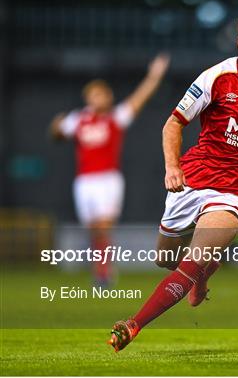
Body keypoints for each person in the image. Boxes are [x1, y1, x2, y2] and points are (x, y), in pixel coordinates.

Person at [107, 6, 238, 352]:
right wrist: (172, 167)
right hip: (193, 179)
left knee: (191, 263)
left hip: (237, 194)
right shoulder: (215, 79)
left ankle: (133, 324)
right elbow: (174, 123)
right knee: (164, 260)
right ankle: (205, 270)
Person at [49, 54, 170, 286]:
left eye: (102, 94)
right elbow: (56, 134)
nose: (98, 98)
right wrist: (55, 126)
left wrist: (154, 76)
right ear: (88, 98)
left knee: (104, 226)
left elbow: (139, 98)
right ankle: (100, 267)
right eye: (94, 95)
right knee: (93, 229)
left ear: (108, 96)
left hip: (107, 179)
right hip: (84, 181)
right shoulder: (78, 120)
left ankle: (104, 272)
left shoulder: (115, 117)